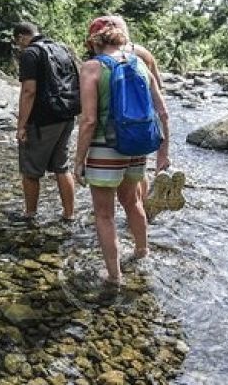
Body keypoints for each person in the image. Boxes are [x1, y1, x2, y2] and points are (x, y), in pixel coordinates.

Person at [73, 18, 171, 285]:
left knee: (104, 214)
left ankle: (114, 276)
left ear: (94, 42)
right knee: (133, 202)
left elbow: (89, 120)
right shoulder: (140, 64)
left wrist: (79, 160)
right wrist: (163, 153)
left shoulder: (92, 68)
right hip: (137, 145)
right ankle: (142, 252)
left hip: (105, 148)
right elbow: (163, 112)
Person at [94, 16, 179, 220]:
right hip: (144, 119)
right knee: (138, 169)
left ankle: (133, 208)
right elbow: (158, 85)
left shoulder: (102, 60)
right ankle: (142, 208)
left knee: (118, 180)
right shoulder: (142, 53)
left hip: (117, 123)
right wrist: (163, 150)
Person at [13, 22, 77, 222]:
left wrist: (21, 125)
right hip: (66, 115)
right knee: (61, 167)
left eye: (18, 42)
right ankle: (69, 214)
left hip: (43, 119)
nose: (19, 46)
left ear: (22, 37)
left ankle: (30, 214)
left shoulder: (30, 53)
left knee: (30, 170)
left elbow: (29, 91)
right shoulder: (61, 48)